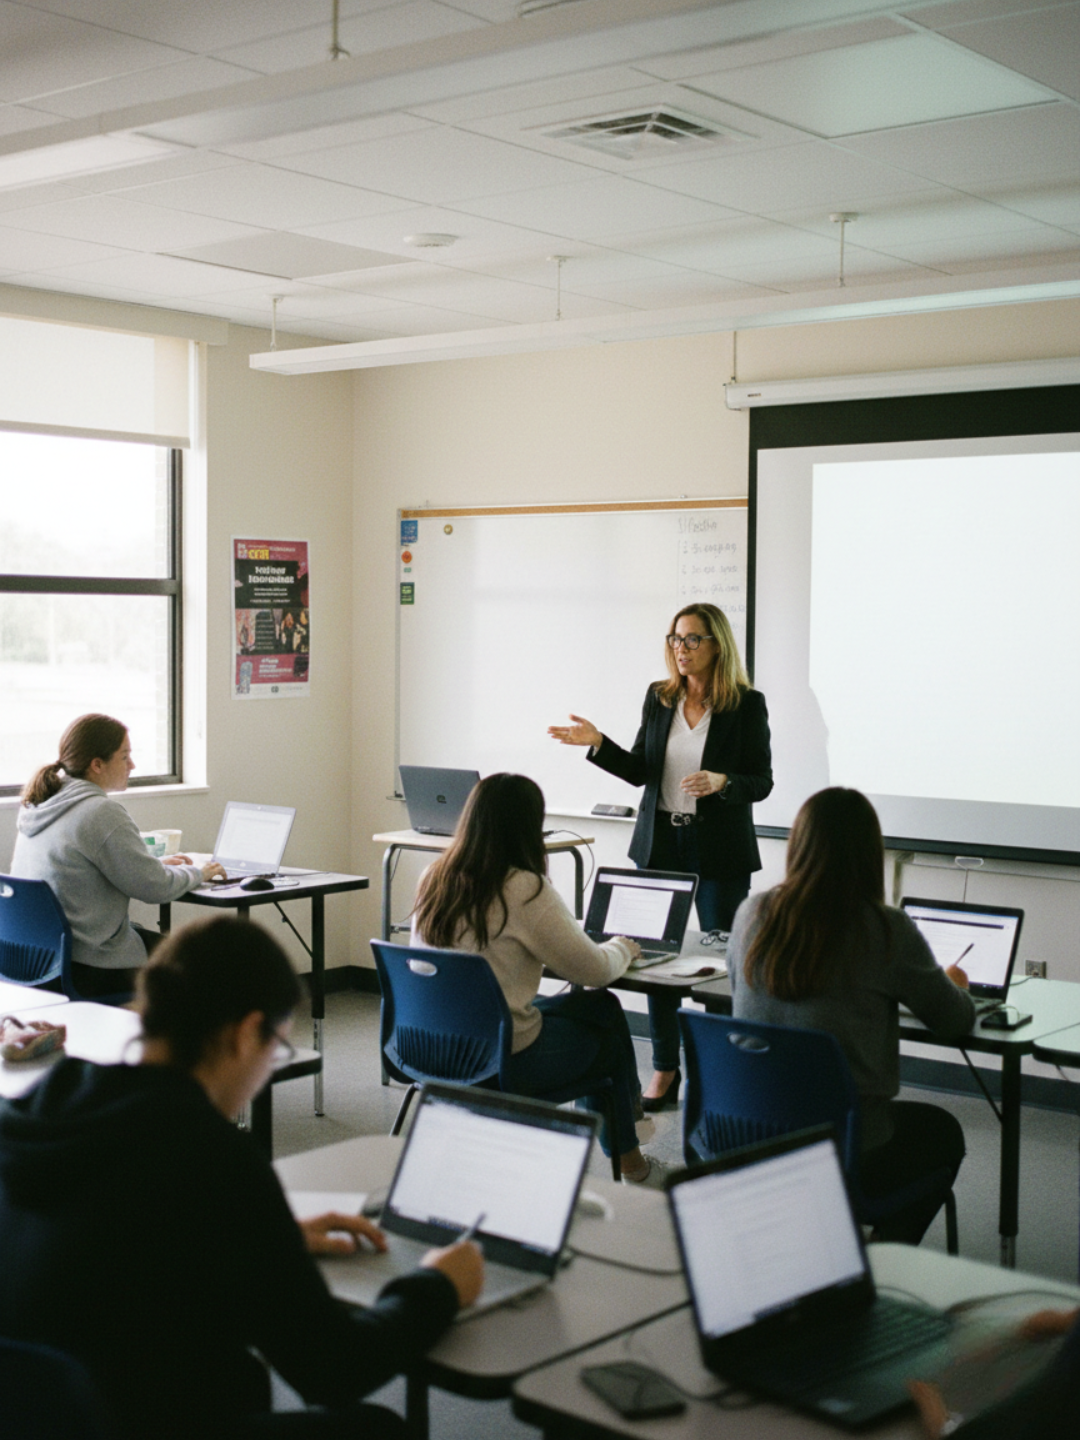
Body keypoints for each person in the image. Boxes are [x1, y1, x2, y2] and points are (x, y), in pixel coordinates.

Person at [0, 915, 483, 1440]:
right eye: (275, 1047)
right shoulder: (211, 1156)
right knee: (379, 1429)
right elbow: (334, 1371)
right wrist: (438, 1286)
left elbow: (110, 1234)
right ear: (245, 1033)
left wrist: (268, 1242)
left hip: (34, 1415)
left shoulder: (48, 1106)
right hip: (149, 1420)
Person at [548, 601, 773, 1111]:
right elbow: (639, 770)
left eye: (692, 639)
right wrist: (598, 742)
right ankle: (665, 1069)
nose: (681, 649)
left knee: (721, 966)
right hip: (661, 844)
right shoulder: (660, 697)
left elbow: (762, 780)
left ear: (717, 645)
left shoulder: (746, 704)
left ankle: (720, 1075)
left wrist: (724, 782)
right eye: (675, 639)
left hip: (720, 849)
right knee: (653, 961)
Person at [729, 786, 975, 1245]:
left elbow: (742, 999)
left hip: (749, 1133)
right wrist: (955, 985)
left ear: (797, 845)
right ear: (869, 853)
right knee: (943, 1132)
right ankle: (882, 1257)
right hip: (845, 1148)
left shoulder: (751, 913)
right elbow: (954, 1021)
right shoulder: (885, 929)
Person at [411, 772, 658, 1183]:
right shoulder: (524, 887)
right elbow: (595, 970)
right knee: (607, 1023)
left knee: (594, 1009)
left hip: (429, 1045)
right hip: (498, 1059)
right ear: (527, 826)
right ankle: (630, 1158)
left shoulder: (433, 877)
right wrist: (622, 947)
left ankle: (627, 1151)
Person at [10, 713, 227, 998]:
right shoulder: (99, 812)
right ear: (97, 765)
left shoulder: (38, 804)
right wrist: (200, 872)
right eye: (125, 757)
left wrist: (154, 864)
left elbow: (86, 868)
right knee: (202, 968)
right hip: (89, 965)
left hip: (34, 960)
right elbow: (155, 887)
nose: (132, 765)